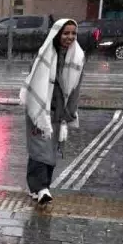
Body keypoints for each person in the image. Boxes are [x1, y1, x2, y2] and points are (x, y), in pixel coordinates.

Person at [20, 19, 85, 204]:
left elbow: (75, 88)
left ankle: (40, 186)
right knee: (39, 149)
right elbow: (35, 81)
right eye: (66, 33)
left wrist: (70, 111)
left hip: (58, 111)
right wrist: (39, 108)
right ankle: (41, 188)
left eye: (73, 33)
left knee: (50, 149)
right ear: (57, 34)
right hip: (40, 110)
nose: (70, 37)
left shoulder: (78, 57)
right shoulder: (44, 55)